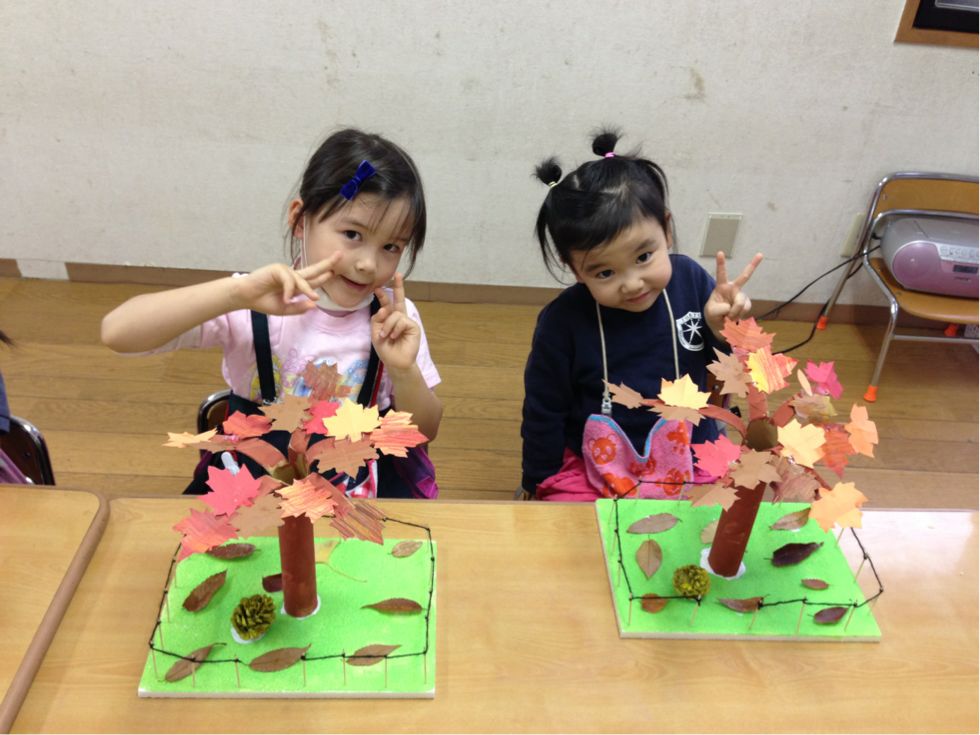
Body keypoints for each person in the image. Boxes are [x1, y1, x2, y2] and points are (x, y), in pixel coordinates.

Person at [102, 128, 442, 498]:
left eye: (391, 246)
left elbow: (422, 433)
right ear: (300, 220)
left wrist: (404, 371)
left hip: (354, 495)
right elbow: (117, 332)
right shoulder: (252, 302)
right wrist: (234, 293)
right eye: (352, 234)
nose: (368, 264)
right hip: (254, 492)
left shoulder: (393, 317)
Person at [521, 129, 761, 501]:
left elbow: (735, 375)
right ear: (575, 270)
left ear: (666, 229)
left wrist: (723, 329)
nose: (632, 283)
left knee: (728, 511)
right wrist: (537, 481)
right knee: (568, 521)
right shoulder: (561, 322)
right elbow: (544, 410)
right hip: (592, 462)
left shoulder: (692, 281)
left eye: (644, 257)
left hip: (692, 450)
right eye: (605, 273)